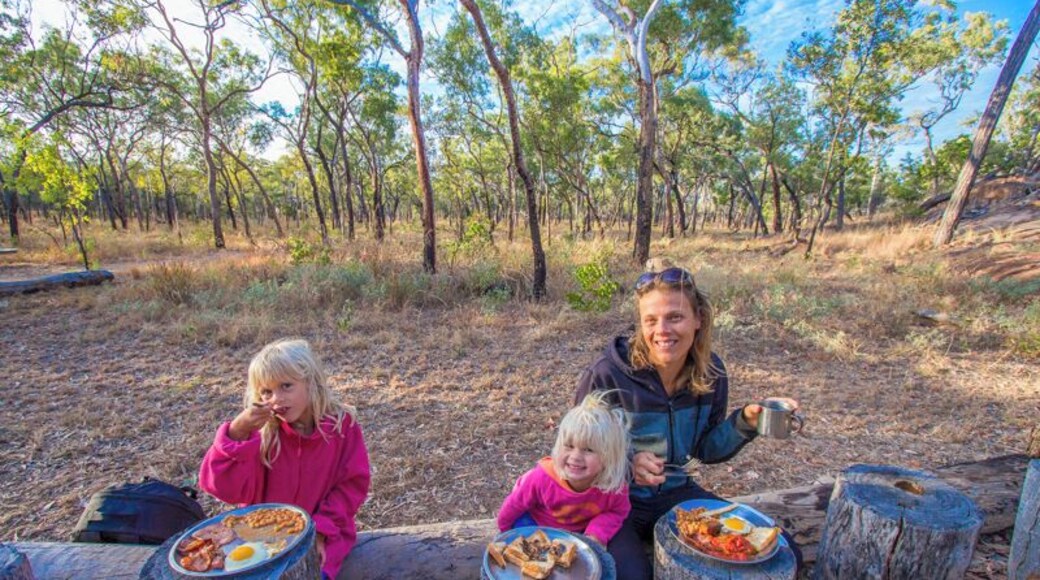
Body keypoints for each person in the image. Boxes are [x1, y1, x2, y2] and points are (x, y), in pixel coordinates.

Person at [574, 261, 801, 579]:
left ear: (699, 319)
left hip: (676, 495)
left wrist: (746, 421)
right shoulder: (606, 374)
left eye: (675, 317)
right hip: (610, 502)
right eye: (650, 320)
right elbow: (573, 456)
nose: (662, 330)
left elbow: (706, 449)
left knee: (781, 552)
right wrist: (627, 465)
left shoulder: (712, 372)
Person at [199, 338, 370, 580]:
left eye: (286, 386)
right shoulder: (260, 434)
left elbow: (352, 486)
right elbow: (221, 488)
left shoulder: (342, 428)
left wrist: (320, 532)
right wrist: (236, 433)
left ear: (311, 382)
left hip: (323, 537)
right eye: (267, 391)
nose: (276, 398)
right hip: (257, 539)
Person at [497, 391, 632, 547]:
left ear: (609, 457)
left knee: (599, 561)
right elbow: (514, 505)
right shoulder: (541, 478)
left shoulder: (614, 488)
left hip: (579, 534)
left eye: (588, 450)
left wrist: (596, 534)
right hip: (536, 524)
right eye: (569, 446)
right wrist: (503, 534)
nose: (575, 456)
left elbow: (617, 512)